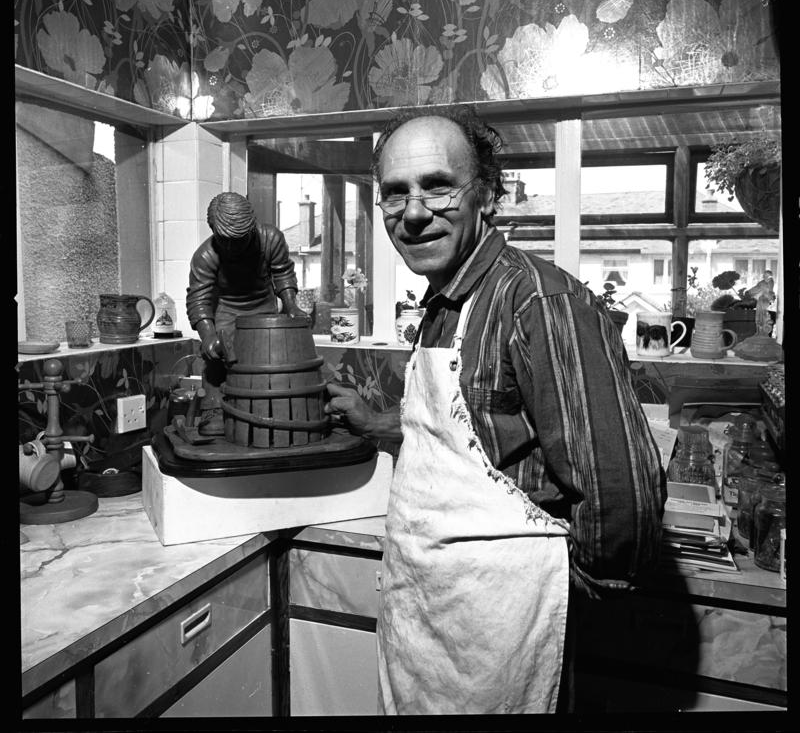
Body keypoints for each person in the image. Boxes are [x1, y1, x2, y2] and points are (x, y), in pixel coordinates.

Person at [324, 106, 667, 715]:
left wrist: (556, 593)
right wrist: (381, 426)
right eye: (394, 193)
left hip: (504, 623)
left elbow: (622, 495)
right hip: (427, 611)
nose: (413, 212)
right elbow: (470, 439)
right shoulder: (444, 301)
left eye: (437, 186)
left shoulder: (539, 300)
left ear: (484, 196)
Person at [186, 191, 307, 435]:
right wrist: (208, 335)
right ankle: (215, 409)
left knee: (270, 358)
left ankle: (270, 408)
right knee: (217, 357)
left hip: (264, 307)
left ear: (252, 227)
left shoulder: (270, 238)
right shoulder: (205, 255)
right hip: (227, 311)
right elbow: (199, 299)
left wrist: (291, 305)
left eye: (240, 240)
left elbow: (283, 273)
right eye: (226, 240)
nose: (233, 247)